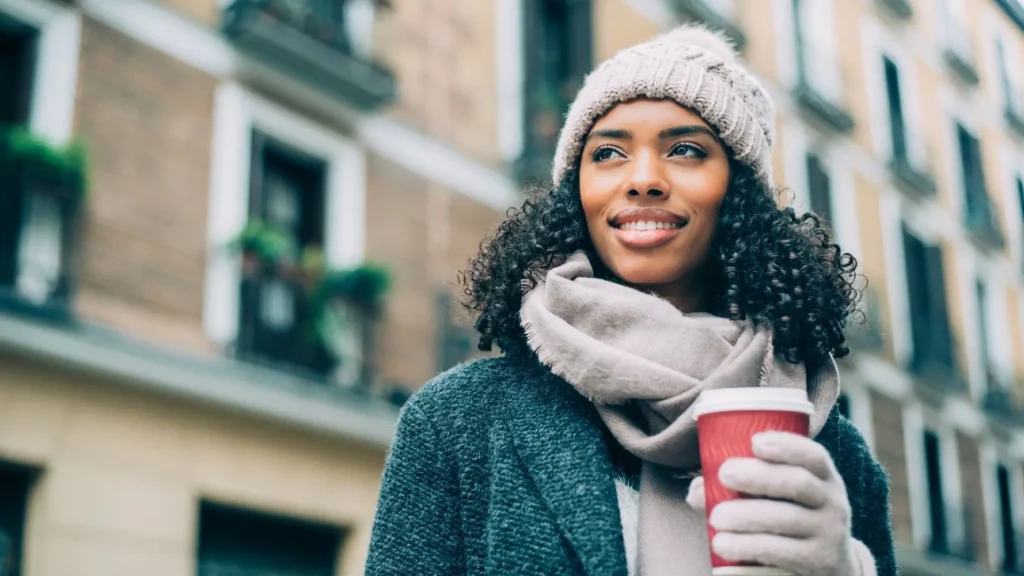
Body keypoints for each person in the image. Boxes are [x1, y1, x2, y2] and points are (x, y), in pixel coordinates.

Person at [366, 25, 896, 576]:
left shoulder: (839, 456)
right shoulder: (456, 420)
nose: (643, 179)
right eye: (609, 153)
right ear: (578, 192)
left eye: (686, 150)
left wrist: (845, 570)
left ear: (737, 194)